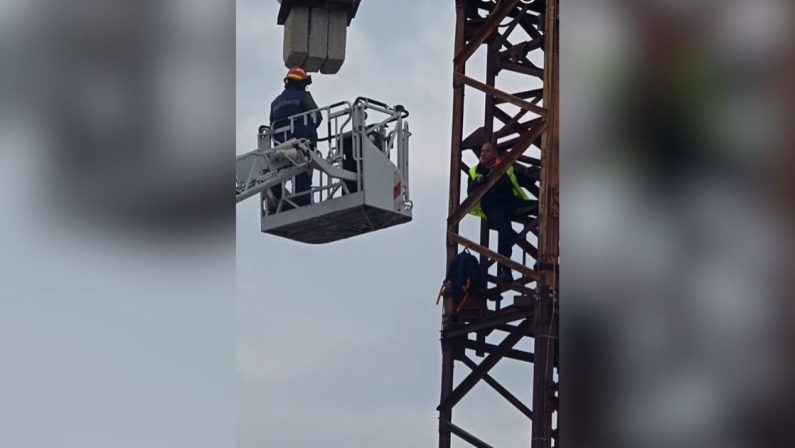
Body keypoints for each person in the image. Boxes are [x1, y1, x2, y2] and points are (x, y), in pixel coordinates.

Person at [467, 141, 538, 282]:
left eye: (486, 151)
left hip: (511, 203)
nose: (483, 153)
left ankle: (544, 257)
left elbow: (524, 180)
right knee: (505, 232)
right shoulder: (475, 172)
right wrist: (478, 182)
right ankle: (504, 269)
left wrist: (532, 172)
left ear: (495, 153)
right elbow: (470, 192)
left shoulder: (506, 168)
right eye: (482, 151)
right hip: (493, 208)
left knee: (544, 209)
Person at [269, 67, 322, 207]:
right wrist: (309, 131)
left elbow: (272, 124)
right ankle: (302, 203)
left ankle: (279, 202)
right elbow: (318, 116)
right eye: (304, 83)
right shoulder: (304, 97)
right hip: (301, 142)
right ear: (299, 83)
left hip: (280, 144)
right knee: (303, 172)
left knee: (277, 175)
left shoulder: (275, 103)